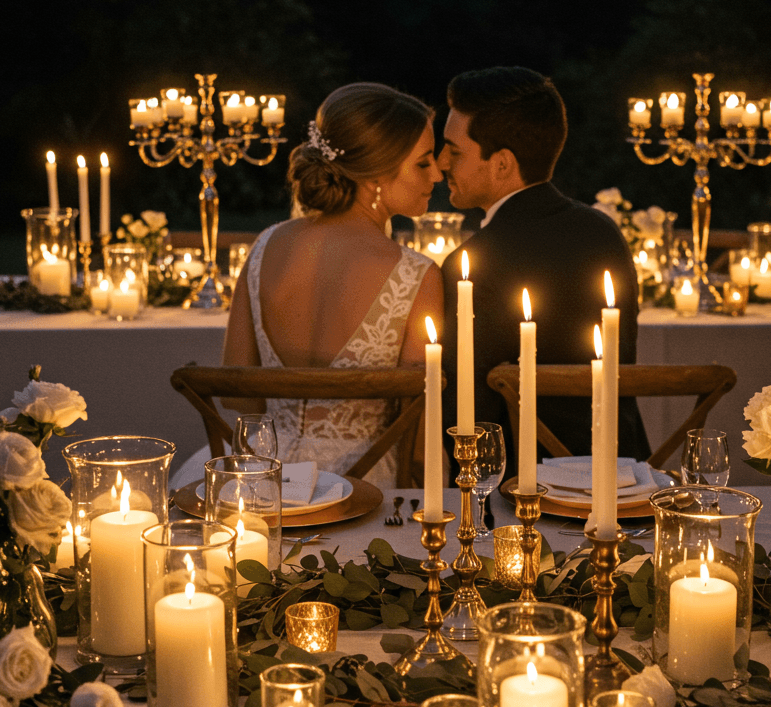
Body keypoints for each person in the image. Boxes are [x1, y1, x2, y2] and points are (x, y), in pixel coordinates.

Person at [221, 82, 443, 490]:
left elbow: (239, 397)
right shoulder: (417, 274)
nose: (438, 174)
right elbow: (419, 438)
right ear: (377, 175)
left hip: (260, 484)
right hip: (362, 486)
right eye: (424, 163)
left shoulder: (265, 245)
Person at [438, 66, 648, 467]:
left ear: (501, 164)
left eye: (455, 150)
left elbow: (466, 414)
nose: (441, 161)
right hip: (622, 474)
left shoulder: (473, 265)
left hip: (522, 489)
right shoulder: (602, 233)